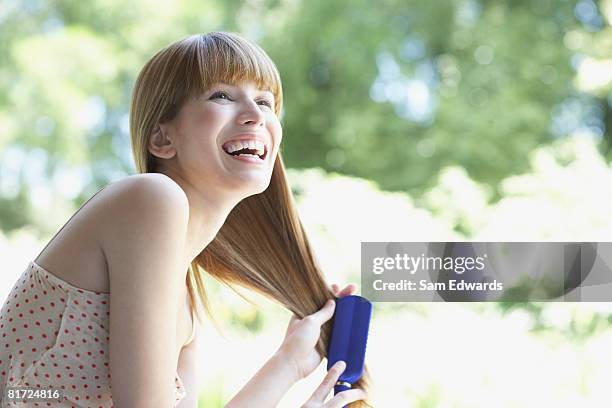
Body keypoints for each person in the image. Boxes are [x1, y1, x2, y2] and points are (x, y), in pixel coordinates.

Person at [0, 32, 372, 407]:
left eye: (265, 101)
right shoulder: (150, 198)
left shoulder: (186, 303)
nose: (257, 114)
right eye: (222, 95)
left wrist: (290, 363)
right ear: (162, 139)